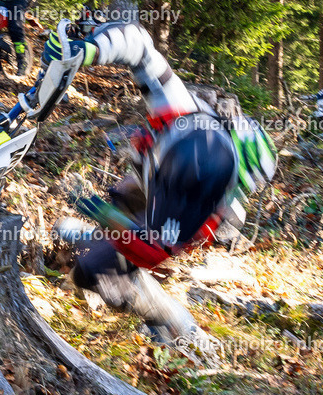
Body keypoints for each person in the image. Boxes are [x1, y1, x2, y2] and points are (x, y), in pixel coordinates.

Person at [44, 20, 277, 344]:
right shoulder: (185, 110)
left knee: (92, 272)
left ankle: (172, 321)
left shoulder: (201, 196)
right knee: (126, 196)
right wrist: (86, 50)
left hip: (175, 213)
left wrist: (102, 214)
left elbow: (149, 250)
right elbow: (138, 46)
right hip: (160, 182)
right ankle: (100, 236)